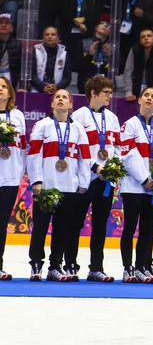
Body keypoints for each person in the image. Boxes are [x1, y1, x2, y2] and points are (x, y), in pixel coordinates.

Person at [27, 89, 91, 281]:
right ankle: (36, 264)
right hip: (46, 185)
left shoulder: (79, 128)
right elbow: (34, 155)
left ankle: (55, 266)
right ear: (52, 104)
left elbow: (85, 158)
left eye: (65, 97)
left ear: (71, 105)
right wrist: (37, 181)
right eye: (58, 97)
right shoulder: (42, 125)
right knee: (40, 227)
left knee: (62, 229)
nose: (61, 100)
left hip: (69, 187)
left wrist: (83, 182)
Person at [65, 75, 120, 282]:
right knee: (75, 222)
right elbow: (77, 149)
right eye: (106, 92)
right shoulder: (79, 116)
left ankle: (96, 267)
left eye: (110, 91)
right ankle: (70, 264)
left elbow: (116, 148)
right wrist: (96, 167)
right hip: (85, 178)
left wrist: (114, 168)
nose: (110, 95)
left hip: (106, 181)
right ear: (93, 94)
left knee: (100, 224)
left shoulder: (113, 118)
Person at [119, 86, 153, 283]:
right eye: (146, 96)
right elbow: (127, 155)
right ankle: (128, 268)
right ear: (139, 101)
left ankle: (142, 266)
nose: (149, 99)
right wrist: (144, 179)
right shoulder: (129, 125)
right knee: (130, 227)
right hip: (134, 186)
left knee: (148, 229)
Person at [0, 76, 25, 280]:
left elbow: (23, 149)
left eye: (3, 87)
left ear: (9, 93)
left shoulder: (17, 116)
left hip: (9, 181)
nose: (0, 90)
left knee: (1, 224)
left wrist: (18, 175)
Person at [60, 0, 99, 82]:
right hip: (69, 32)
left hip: (86, 33)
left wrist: (84, 20)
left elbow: (95, 15)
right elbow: (63, 13)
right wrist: (75, 21)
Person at [118, 0, 153, 73]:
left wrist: (143, 15)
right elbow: (105, 0)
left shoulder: (148, 1)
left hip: (138, 42)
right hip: (121, 40)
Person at [123, 29, 153, 102]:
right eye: (143, 37)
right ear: (140, 41)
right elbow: (128, 71)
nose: (146, 38)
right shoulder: (134, 50)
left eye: (149, 36)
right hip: (135, 92)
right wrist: (128, 92)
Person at [31, 26, 71, 94]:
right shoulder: (36, 51)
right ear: (43, 37)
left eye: (53, 34)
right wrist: (43, 87)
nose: (50, 37)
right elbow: (32, 75)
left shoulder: (63, 53)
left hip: (58, 90)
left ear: (57, 37)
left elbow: (67, 78)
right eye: (47, 34)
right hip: (38, 89)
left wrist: (57, 87)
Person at [80, 20, 111, 89]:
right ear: (96, 27)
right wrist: (90, 56)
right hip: (87, 84)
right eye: (103, 23)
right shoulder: (84, 42)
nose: (105, 26)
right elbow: (80, 67)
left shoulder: (112, 46)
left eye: (108, 25)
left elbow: (116, 70)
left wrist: (110, 56)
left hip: (106, 85)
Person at [0, 14, 21, 89]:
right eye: (1, 23)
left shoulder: (17, 45)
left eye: (7, 23)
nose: (3, 25)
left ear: (12, 28)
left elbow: (20, 68)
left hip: (10, 82)